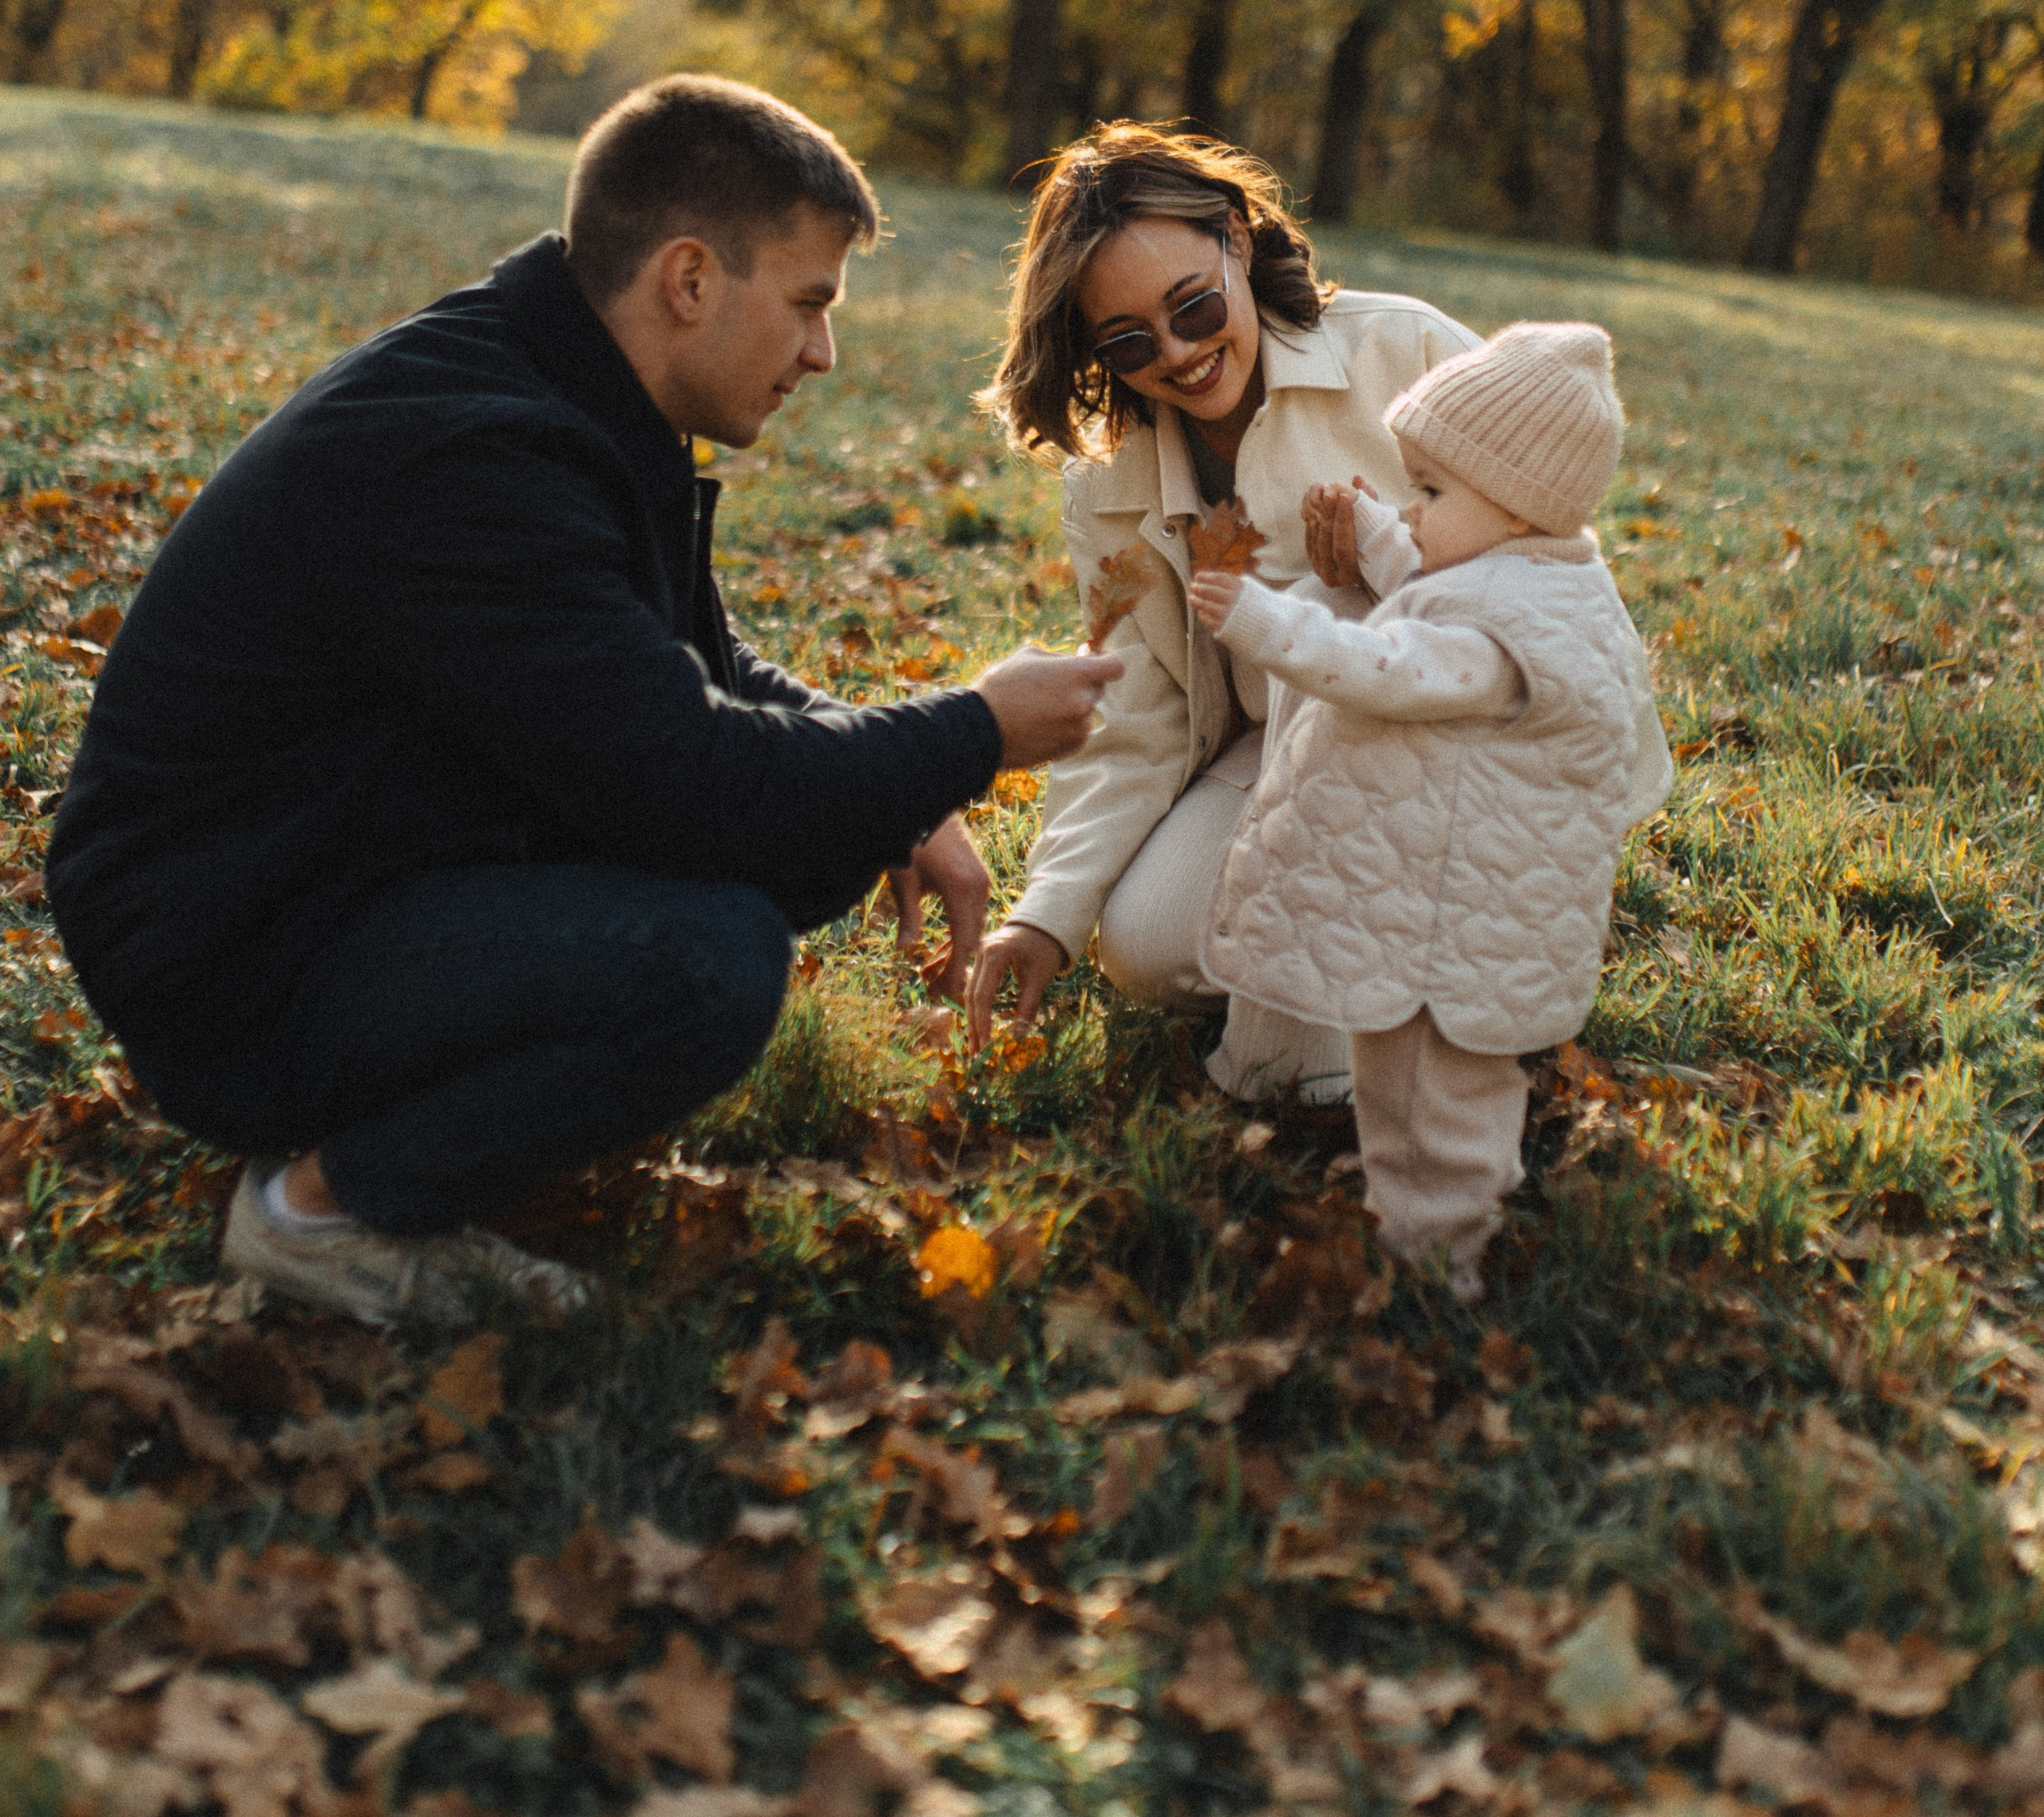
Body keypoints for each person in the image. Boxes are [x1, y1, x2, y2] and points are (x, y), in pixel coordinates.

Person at [47, 76, 1120, 1327]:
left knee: (808, 836)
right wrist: (972, 732)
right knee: (706, 961)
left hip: (331, 863)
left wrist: (905, 783)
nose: (822, 353)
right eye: (810, 304)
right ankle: (321, 1214)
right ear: (689, 280)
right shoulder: (478, 450)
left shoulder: (572, 383)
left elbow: (696, 663)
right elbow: (691, 782)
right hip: (229, 956)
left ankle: (403, 1115)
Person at [964, 123, 1476, 1100]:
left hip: (1464, 751)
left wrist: (1387, 574)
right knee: (1147, 949)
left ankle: (1355, 1035)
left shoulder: (1408, 350)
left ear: (1236, 240)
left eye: (1193, 306)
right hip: (1278, 758)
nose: (1178, 354)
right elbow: (1136, 715)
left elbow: (1545, 586)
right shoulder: (1108, 483)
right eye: (1128, 342)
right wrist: (1046, 914)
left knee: (1332, 613)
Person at [1189, 320, 1673, 1299]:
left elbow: (1391, 664)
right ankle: (1435, 1204)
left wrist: (1262, 619)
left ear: (1518, 507)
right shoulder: (1536, 574)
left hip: (1450, 924)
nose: (1412, 510)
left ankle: (1433, 1261)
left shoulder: (1502, 638)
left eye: (1431, 493)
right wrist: (1373, 528)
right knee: (1427, 1080)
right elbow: (1429, 578)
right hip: (1464, 906)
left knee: (1429, 1087)